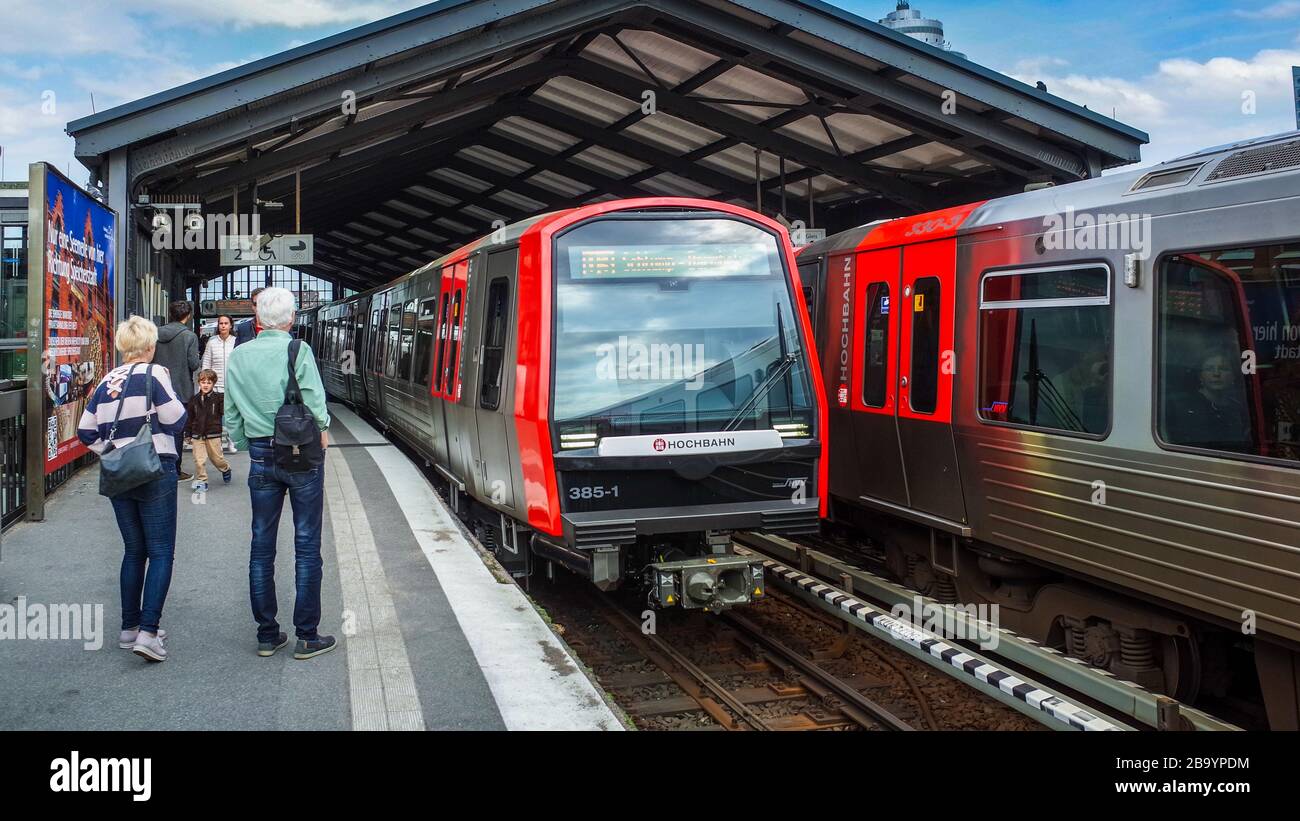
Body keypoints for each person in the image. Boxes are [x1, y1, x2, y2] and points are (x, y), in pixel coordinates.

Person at [225, 287, 336, 660]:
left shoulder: (238, 356)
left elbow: (231, 415)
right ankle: (308, 636)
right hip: (301, 454)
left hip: (260, 455)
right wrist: (321, 430)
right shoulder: (298, 350)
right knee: (306, 545)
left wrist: (246, 445)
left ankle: (268, 635)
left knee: (261, 545)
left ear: (257, 320)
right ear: (291, 320)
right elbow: (316, 406)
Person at [77, 316, 188, 663]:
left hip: (120, 474)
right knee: (161, 552)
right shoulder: (155, 374)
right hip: (155, 469)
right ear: (151, 346)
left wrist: (112, 453)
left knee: (133, 550)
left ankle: (129, 628)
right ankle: (149, 632)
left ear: (124, 347)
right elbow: (176, 419)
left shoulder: (107, 379)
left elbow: (85, 431)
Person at [153, 300, 201, 481]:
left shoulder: (155, 333)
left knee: (157, 427)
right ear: (187, 316)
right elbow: (194, 364)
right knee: (177, 430)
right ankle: (175, 469)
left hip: (157, 387)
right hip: (181, 389)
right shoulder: (189, 336)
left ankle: (157, 465)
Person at [185, 369, 232, 492]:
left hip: (213, 434)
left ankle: (225, 468)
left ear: (213, 384)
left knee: (217, 458)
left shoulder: (219, 398)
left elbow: (225, 411)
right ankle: (202, 481)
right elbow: (189, 418)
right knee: (199, 460)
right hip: (197, 434)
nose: (205, 385)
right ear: (199, 383)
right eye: (203, 382)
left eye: (209, 382)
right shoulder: (193, 400)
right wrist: (188, 434)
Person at [202, 314, 239, 453]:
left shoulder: (236, 342)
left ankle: (231, 442)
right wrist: (205, 383)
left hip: (231, 386)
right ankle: (216, 444)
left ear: (230, 325)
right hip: (215, 386)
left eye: (225, 323)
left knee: (230, 417)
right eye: (220, 323)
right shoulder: (212, 342)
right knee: (214, 417)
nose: (223, 326)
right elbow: (206, 363)